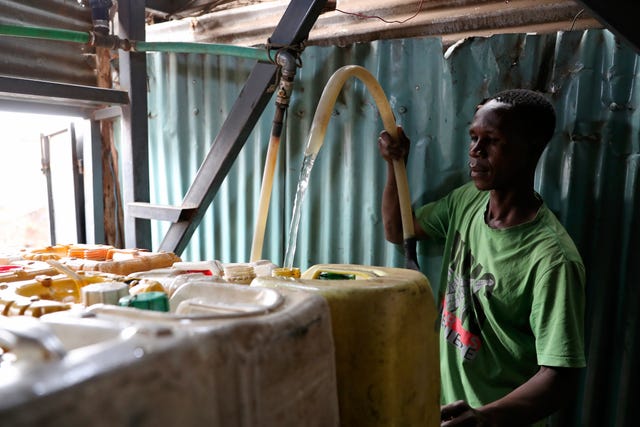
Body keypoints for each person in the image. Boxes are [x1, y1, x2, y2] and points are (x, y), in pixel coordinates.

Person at [378, 89, 586, 427]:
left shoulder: (552, 259)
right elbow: (397, 229)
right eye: (473, 137)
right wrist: (394, 164)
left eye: (491, 140)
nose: (475, 151)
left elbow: (559, 379)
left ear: (530, 147)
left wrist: (482, 418)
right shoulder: (468, 203)